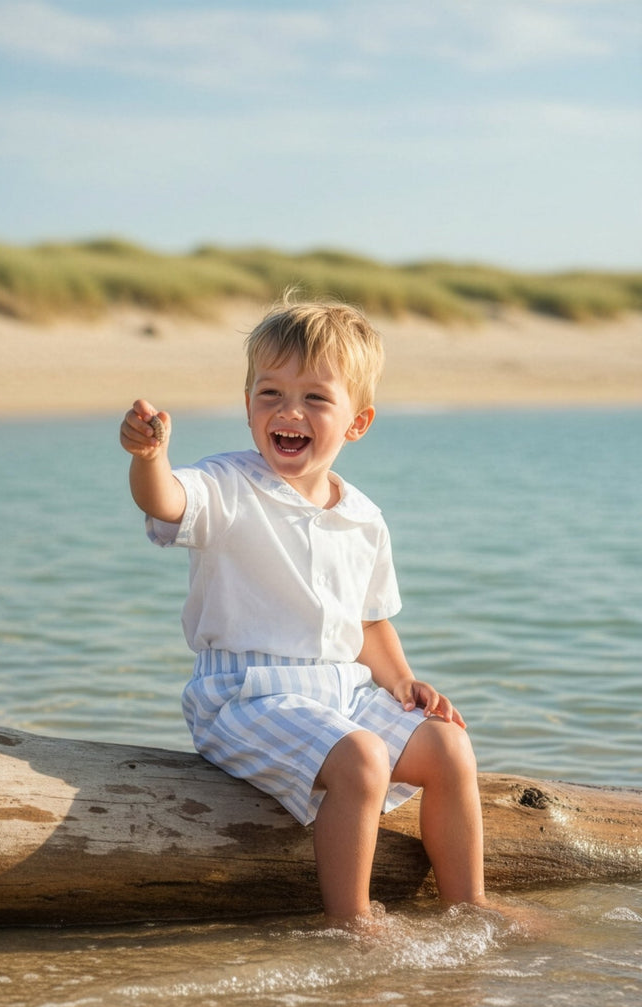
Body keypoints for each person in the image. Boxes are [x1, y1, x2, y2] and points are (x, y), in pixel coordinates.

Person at [119, 297, 486, 928]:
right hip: (244, 695)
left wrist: (401, 680)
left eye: (315, 398)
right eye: (270, 394)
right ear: (248, 405)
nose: (289, 412)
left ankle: (470, 907)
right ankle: (352, 921)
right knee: (364, 758)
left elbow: (368, 621)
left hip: (344, 693)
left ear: (357, 422)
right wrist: (148, 458)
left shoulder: (363, 517)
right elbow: (167, 501)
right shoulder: (226, 485)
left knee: (450, 748)